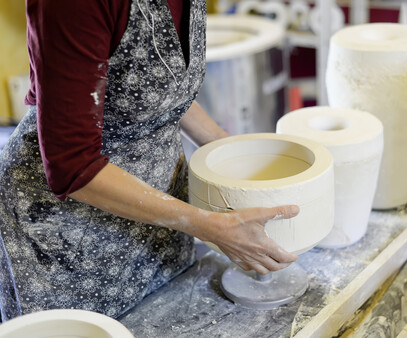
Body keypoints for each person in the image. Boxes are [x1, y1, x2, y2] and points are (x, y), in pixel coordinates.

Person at [0, 0, 299, 321]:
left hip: (161, 216)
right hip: (70, 238)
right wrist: (209, 226)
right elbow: (72, 164)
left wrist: (232, 154)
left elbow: (158, 88)